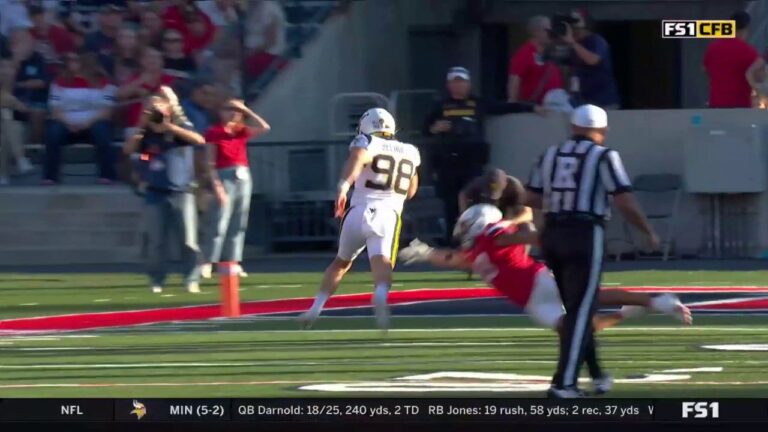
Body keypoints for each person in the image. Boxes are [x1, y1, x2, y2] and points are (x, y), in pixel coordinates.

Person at [397, 204, 690, 345]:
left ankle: (657, 302)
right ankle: (629, 313)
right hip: (531, 302)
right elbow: (455, 259)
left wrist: (550, 242)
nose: (463, 235)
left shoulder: (494, 235)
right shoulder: (478, 251)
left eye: (465, 228)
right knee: (578, 329)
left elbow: (528, 232)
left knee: (592, 297)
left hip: (538, 282)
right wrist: (425, 253)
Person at [524, 104, 660, 398]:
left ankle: (597, 375)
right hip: (584, 233)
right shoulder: (604, 155)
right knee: (582, 309)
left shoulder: (549, 154)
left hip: (553, 233)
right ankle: (564, 383)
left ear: (572, 127)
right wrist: (647, 231)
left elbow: (532, 197)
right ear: (603, 130)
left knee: (577, 309)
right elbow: (623, 200)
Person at [299, 108, 421, 331]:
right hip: (388, 214)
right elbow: (412, 189)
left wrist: (343, 186)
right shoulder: (410, 151)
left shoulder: (366, 141)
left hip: (358, 210)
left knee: (340, 263)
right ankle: (381, 294)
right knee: (383, 262)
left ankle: (316, 307)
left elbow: (358, 158)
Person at [423, 66, 540, 244]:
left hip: (472, 160)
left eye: (461, 81)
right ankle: (453, 239)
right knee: (450, 203)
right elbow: (425, 128)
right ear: (449, 84)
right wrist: (435, 128)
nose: (458, 85)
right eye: (455, 82)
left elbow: (504, 107)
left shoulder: (477, 102)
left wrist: (532, 107)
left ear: (468, 84)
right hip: (447, 161)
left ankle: (477, 237)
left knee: (476, 199)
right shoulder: (440, 105)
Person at [123, 92, 208, 294]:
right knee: (156, 240)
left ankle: (191, 277)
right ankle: (156, 279)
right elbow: (130, 151)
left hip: (181, 191)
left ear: (168, 109)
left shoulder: (179, 129)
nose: (154, 113)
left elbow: (199, 140)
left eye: (157, 109)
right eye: (150, 109)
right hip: (155, 192)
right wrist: (142, 126)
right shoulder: (145, 135)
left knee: (188, 240)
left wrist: (169, 126)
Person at [200, 98, 270, 279]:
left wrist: (247, 110)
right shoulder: (214, 132)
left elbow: (264, 127)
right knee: (219, 221)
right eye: (228, 109)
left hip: (243, 175)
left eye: (236, 110)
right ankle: (208, 261)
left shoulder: (241, 131)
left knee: (239, 221)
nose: (233, 113)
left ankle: (232, 261)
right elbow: (209, 162)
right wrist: (216, 185)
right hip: (224, 175)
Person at [43, 52, 117, 185]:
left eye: (75, 60)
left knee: (102, 132)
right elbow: (55, 110)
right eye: (70, 61)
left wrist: (86, 123)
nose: (71, 64)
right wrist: (69, 123)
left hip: (93, 122)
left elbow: (107, 111)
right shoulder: (58, 83)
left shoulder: (106, 83)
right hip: (65, 122)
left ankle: (107, 174)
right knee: (53, 133)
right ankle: (50, 176)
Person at [704, 11, 763, 108]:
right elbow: (759, 77)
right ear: (745, 29)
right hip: (740, 105)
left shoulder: (713, 48)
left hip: (715, 105)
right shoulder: (749, 51)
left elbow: (706, 70)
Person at [563, 9, 620, 108]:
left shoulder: (596, 40)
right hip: (582, 100)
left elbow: (593, 60)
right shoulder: (574, 45)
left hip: (603, 101)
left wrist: (572, 42)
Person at [117, 47, 175, 134]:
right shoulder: (135, 78)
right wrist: (141, 80)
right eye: (149, 57)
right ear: (141, 61)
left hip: (161, 124)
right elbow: (120, 94)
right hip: (136, 126)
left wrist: (148, 95)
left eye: (156, 57)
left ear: (162, 61)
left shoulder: (169, 79)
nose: (152, 60)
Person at [507, 16, 563, 104]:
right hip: (535, 109)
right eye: (547, 31)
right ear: (536, 32)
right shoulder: (524, 53)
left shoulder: (551, 52)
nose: (551, 34)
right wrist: (513, 104)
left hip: (554, 107)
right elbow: (515, 79)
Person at [0, 57, 31, 185]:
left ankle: (2, 174)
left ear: (15, 70)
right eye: (2, 67)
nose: (5, 71)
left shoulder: (22, 87)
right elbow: (16, 104)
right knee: (6, 114)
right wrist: (11, 101)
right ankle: (21, 158)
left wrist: (9, 101)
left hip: (19, 127)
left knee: (6, 132)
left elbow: (24, 109)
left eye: (9, 67)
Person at [244, 0, 287, 78]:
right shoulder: (250, 8)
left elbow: (271, 42)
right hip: (251, 54)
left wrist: (249, 53)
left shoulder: (270, 10)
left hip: (268, 56)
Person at [28, 5, 76, 74]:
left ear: (44, 16)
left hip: (56, 69)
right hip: (35, 70)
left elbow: (70, 55)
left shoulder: (61, 34)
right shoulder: (29, 34)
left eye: (40, 18)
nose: (38, 22)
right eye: (34, 20)